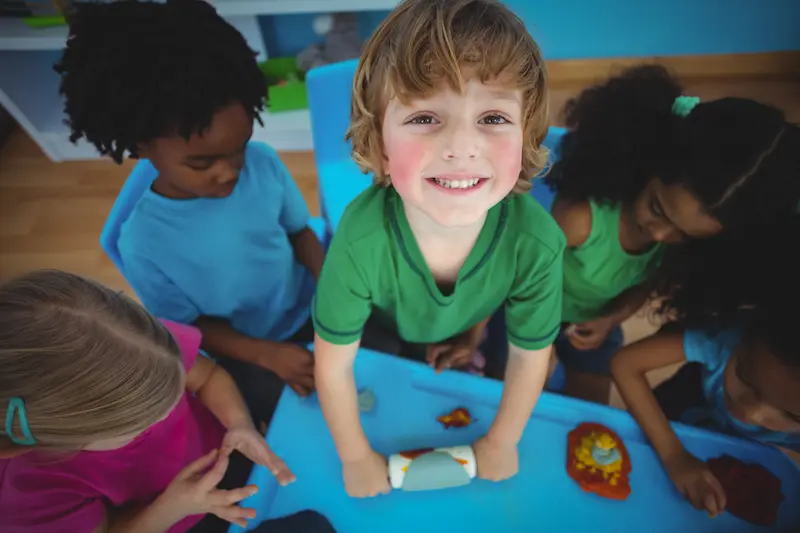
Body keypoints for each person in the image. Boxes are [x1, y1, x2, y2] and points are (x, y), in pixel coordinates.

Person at [312, 0, 564, 498]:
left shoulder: (537, 242)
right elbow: (333, 364)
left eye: (492, 116)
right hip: (385, 331)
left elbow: (531, 357)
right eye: (426, 117)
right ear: (380, 142)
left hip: (474, 324)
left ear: (526, 132)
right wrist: (356, 457)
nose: (461, 146)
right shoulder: (360, 239)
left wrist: (502, 442)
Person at [54, 0, 323, 421]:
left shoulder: (264, 163)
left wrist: (333, 288)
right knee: (282, 419)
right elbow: (189, 329)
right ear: (141, 144)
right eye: (202, 163)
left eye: (238, 149)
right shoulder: (144, 242)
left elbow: (301, 233)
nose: (228, 173)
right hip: (245, 348)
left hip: (310, 308)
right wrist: (266, 354)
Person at [0, 270, 336, 533]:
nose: (171, 413)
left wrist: (239, 424)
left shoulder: (135, 345)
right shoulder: (30, 490)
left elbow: (207, 377)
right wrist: (175, 506)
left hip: (224, 446)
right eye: (145, 424)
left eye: (176, 395)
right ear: (70, 439)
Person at [543, 64, 800, 404]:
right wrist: (538, 341)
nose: (660, 234)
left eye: (684, 234)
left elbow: (643, 283)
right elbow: (524, 275)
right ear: (647, 164)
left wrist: (612, 319)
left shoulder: (676, 250)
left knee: (589, 411)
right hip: (530, 308)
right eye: (658, 208)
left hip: (594, 322)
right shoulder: (580, 219)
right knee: (507, 386)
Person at [610, 227, 800, 518]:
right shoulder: (726, 337)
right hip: (669, 418)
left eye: (792, 415)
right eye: (745, 377)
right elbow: (625, 364)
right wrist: (673, 454)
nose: (752, 413)